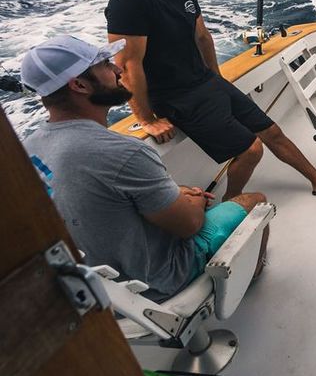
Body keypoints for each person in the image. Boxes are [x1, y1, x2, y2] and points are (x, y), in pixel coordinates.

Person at [105, 0, 316, 199]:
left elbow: (202, 37)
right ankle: (230, 203)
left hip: (206, 82)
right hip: (178, 98)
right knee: (251, 149)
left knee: (272, 131)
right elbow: (128, 65)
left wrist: (216, 78)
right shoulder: (128, 2)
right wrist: (146, 119)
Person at [20, 35, 268, 301]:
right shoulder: (123, 152)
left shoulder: (27, 149)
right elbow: (190, 225)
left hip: (93, 288)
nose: (117, 70)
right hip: (157, 284)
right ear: (79, 85)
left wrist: (177, 194)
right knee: (257, 202)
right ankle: (252, 274)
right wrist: (194, 201)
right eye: (104, 64)